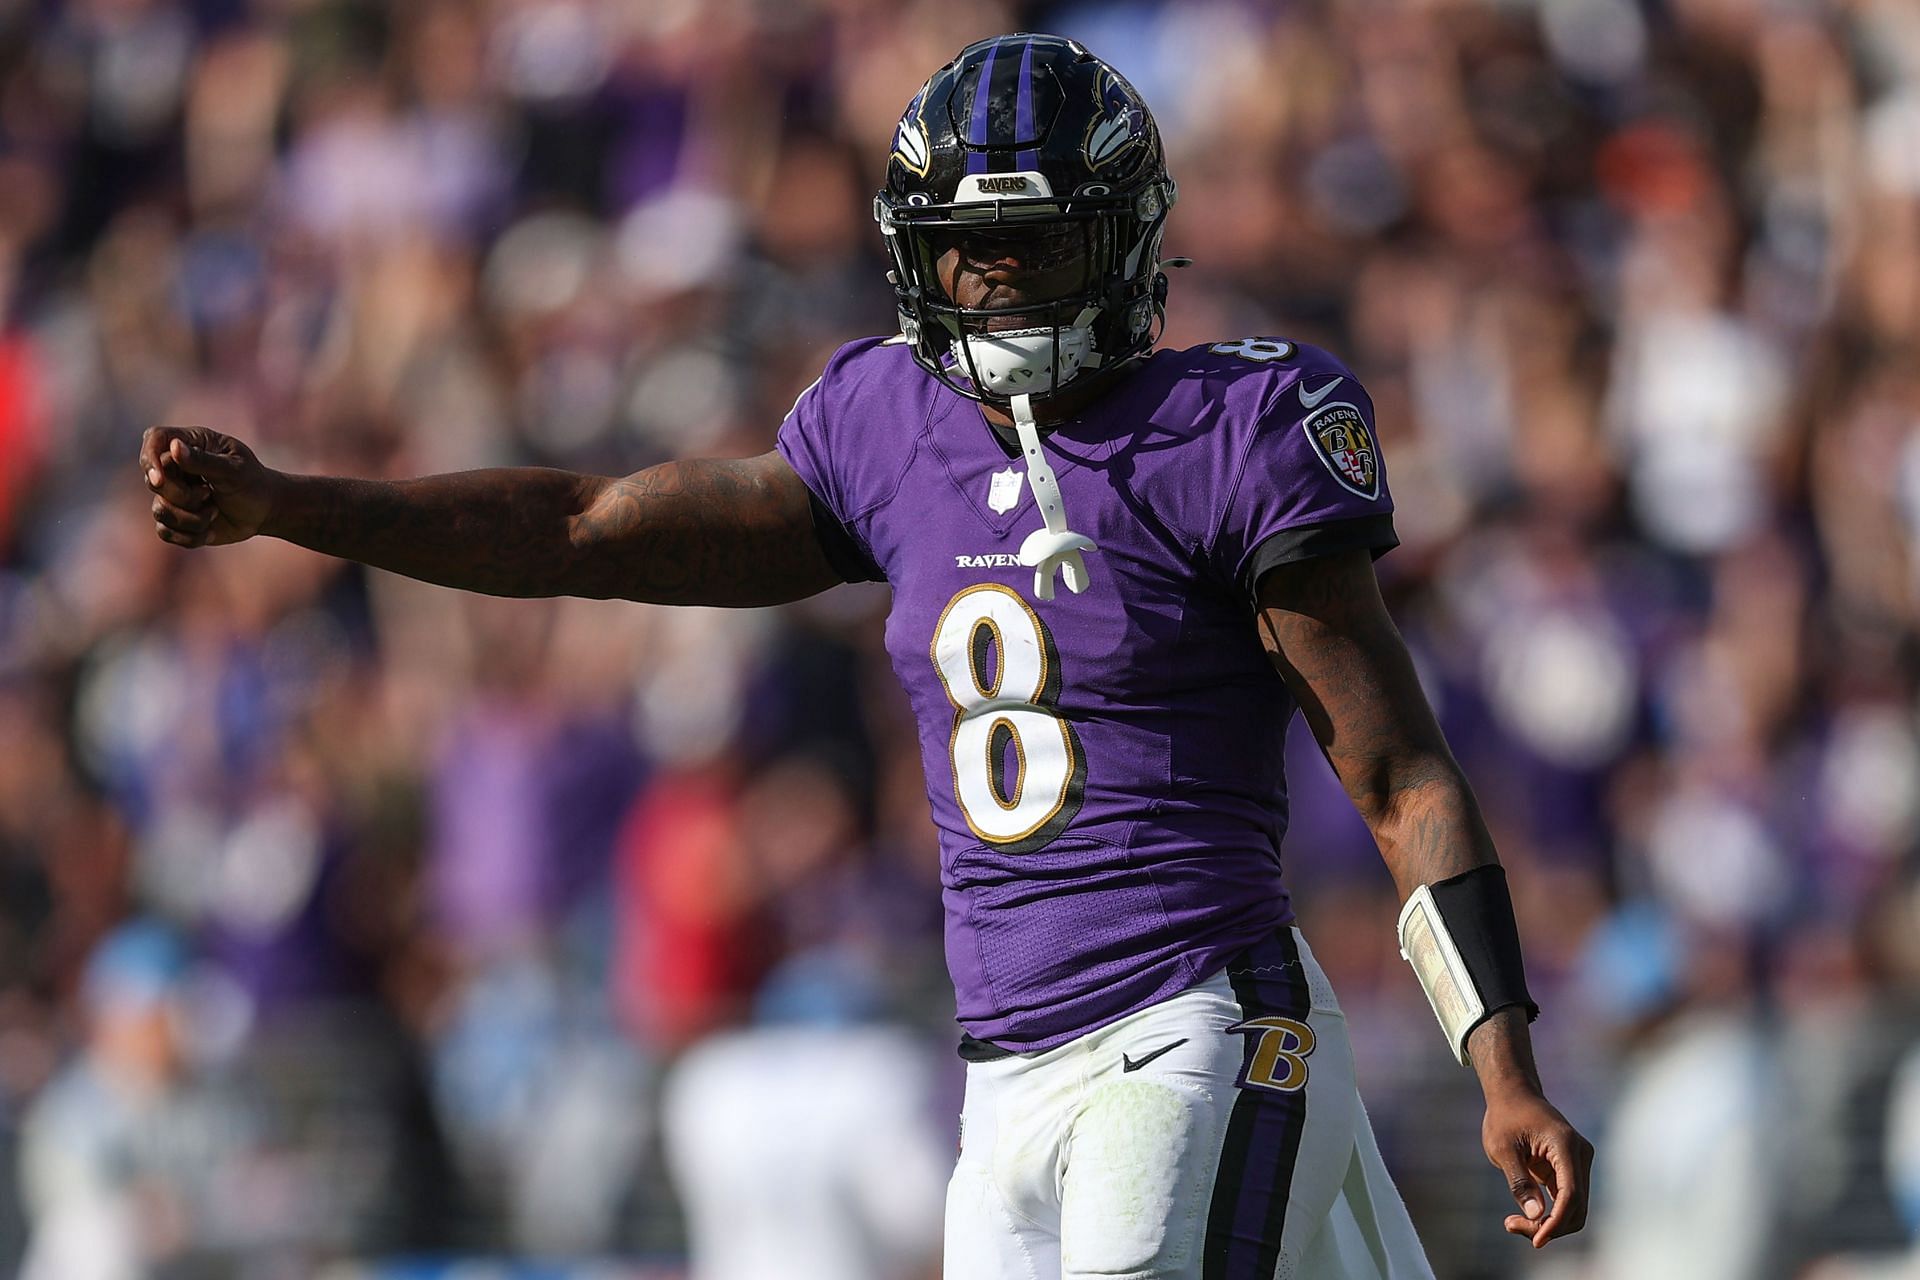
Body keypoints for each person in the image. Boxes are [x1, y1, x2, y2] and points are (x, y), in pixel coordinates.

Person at [141, 33, 1592, 1280]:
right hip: (1005, 1078)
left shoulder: (1232, 430)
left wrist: (1502, 1062)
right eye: (975, 254)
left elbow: (1400, 775)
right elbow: (583, 526)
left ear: (1129, 239)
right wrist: (292, 507)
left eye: (1042, 249)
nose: (1005, 291)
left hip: (1196, 1019)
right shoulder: (885, 427)